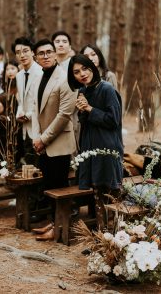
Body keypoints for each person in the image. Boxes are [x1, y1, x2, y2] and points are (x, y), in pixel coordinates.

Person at [68, 54, 123, 230]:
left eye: (85, 68)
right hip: (89, 146)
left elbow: (113, 120)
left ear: (92, 68)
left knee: (110, 192)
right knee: (96, 192)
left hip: (107, 146)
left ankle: (116, 238)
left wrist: (90, 109)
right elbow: (84, 122)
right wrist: (83, 111)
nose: (82, 74)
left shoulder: (107, 89)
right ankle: (101, 237)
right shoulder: (83, 91)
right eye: (76, 72)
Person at [31, 38, 77, 241]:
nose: (46, 56)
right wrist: (35, 137)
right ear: (36, 57)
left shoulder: (65, 78)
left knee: (59, 186)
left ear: (55, 54)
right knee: (48, 186)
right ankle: (52, 222)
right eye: (41, 53)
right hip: (42, 142)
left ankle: (60, 227)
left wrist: (44, 139)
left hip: (58, 143)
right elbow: (35, 110)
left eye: (49, 52)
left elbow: (64, 115)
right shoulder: (39, 77)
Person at [12, 37, 42, 164]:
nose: (22, 55)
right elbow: (21, 100)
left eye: (25, 51)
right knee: (28, 160)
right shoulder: (19, 75)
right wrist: (19, 113)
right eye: (18, 52)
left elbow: (40, 101)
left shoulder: (41, 72)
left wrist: (28, 115)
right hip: (24, 126)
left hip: (38, 125)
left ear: (33, 52)